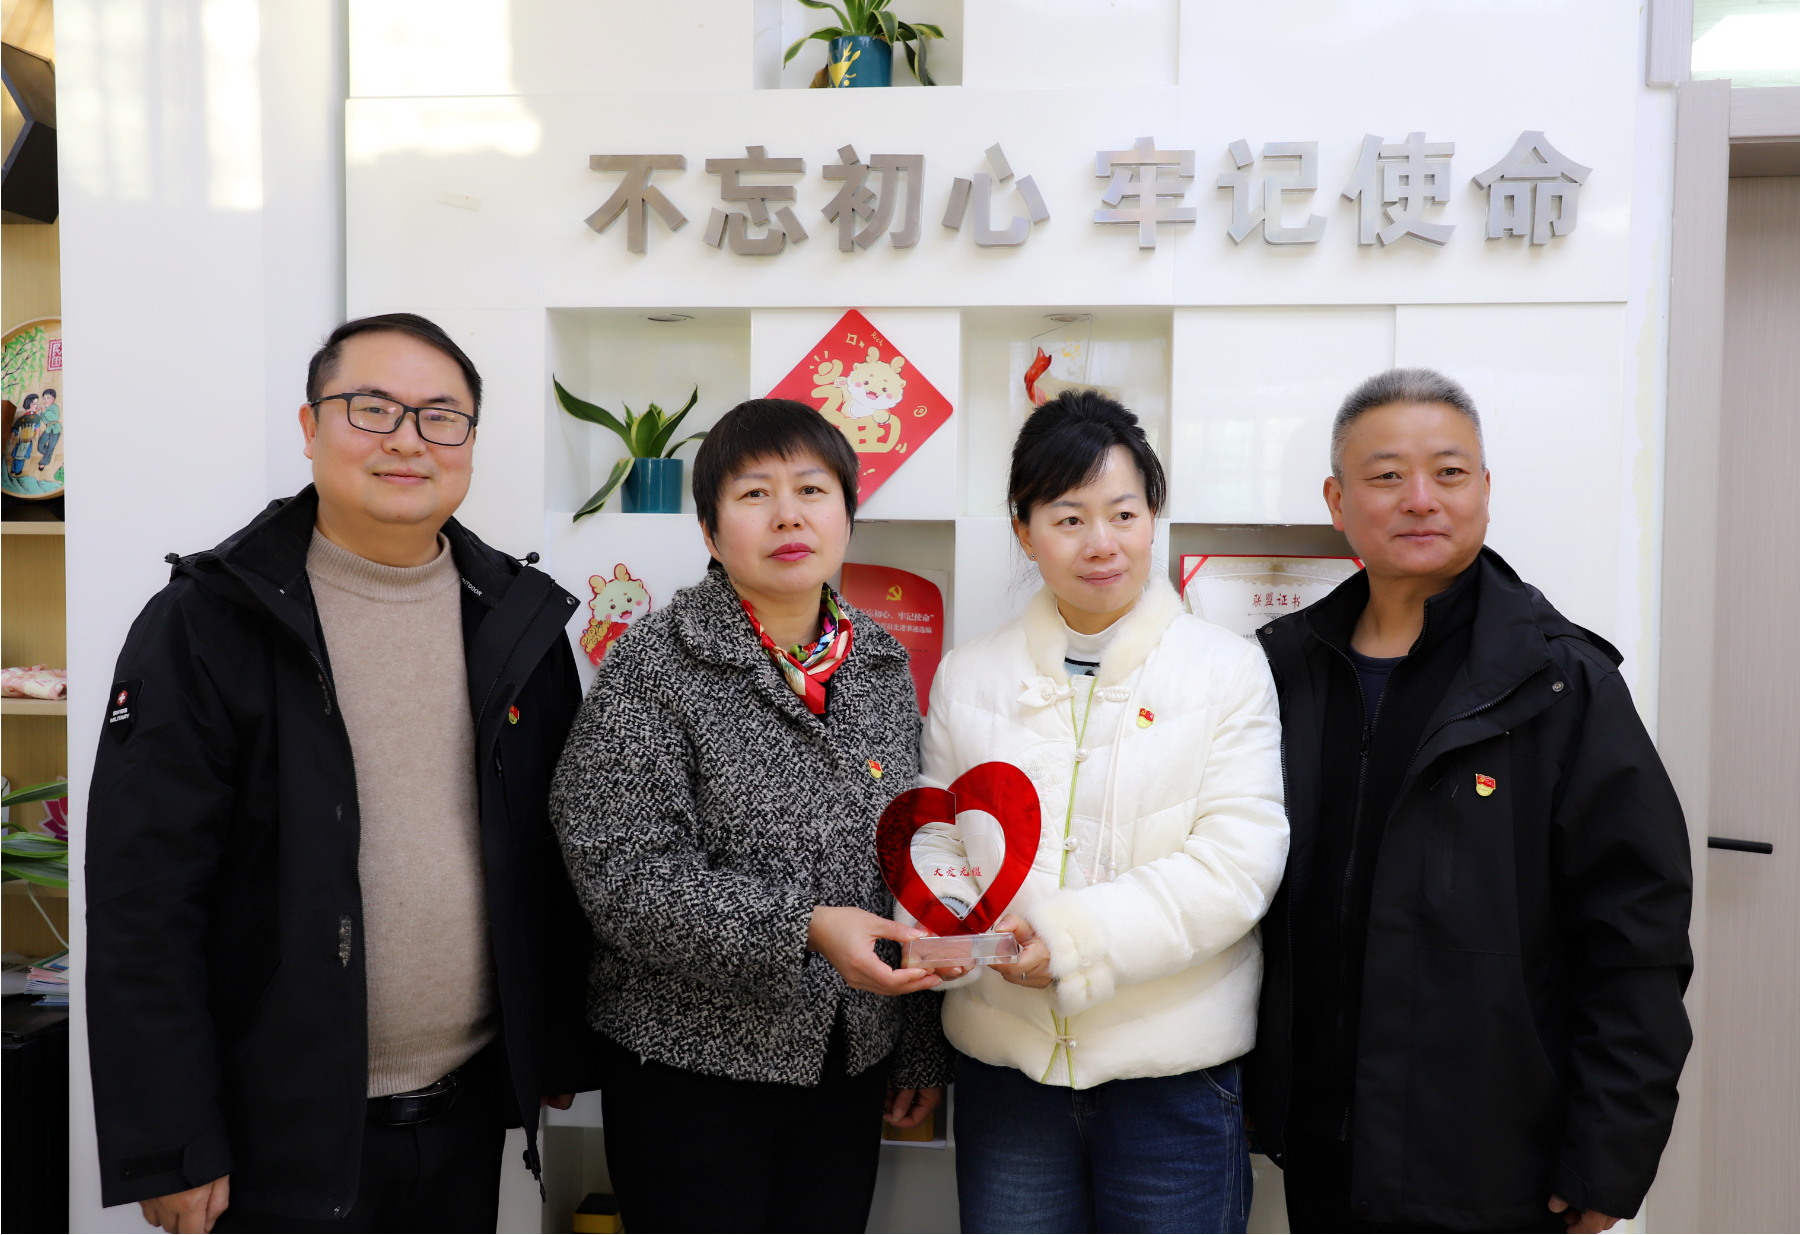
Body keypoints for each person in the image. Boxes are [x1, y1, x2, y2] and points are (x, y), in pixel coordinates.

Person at [87, 313, 593, 1234]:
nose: (407, 439)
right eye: (372, 408)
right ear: (309, 425)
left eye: (440, 416)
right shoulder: (207, 622)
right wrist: (172, 1139)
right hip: (274, 1133)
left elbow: (549, 849)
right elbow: (143, 898)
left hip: (465, 1112)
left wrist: (549, 1042)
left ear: (471, 442)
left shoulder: (516, 620)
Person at [1249, 369, 1693, 1233]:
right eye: (1386, 475)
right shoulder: (1279, 670)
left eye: (1448, 473)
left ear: (1484, 489)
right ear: (1337, 501)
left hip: (1493, 1162)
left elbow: (1634, 936)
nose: (1420, 498)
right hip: (1319, 1149)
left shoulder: (1560, 682)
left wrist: (1608, 1153)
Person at [549, 398, 956, 1234]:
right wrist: (803, 926)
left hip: (846, 1061)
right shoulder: (653, 664)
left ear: (846, 514)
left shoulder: (880, 663)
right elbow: (621, 876)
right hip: (686, 1065)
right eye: (753, 494)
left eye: (811, 489)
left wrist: (914, 1043)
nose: (787, 515)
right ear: (709, 529)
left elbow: (908, 862)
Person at [913, 390, 1289, 1233]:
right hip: (1007, 1071)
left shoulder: (1225, 670)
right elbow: (937, 834)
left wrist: (1074, 941)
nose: (1101, 542)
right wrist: (951, 934)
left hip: (1173, 1078)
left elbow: (1236, 862)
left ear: (1153, 516)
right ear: (1024, 530)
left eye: (1123, 512)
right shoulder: (970, 673)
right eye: (1068, 517)